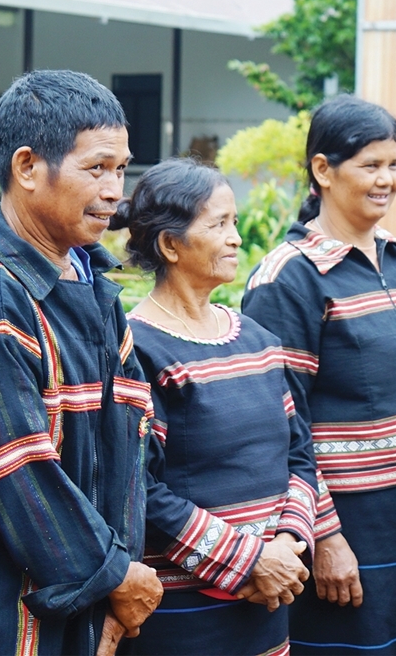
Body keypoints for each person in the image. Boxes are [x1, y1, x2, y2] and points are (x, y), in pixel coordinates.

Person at [0, 70, 162, 655]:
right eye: (96, 168)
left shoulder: (92, 283)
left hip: (87, 609)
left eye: (121, 168)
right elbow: (14, 471)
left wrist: (116, 578)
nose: (116, 190)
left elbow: (132, 438)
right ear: (27, 168)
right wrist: (115, 576)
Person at [240, 95, 396, 655]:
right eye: (370, 165)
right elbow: (279, 424)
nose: (386, 179)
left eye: (394, 165)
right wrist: (325, 536)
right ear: (323, 170)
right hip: (347, 523)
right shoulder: (288, 280)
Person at [111, 158, 321, 655]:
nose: (236, 237)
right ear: (170, 245)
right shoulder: (136, 350)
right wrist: (247, 561)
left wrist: (288, 545)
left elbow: (301, 457)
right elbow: (139, 488)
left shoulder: (262, 342)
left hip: (269, 599)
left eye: (234, 222)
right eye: (219, 224)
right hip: (183, 614)